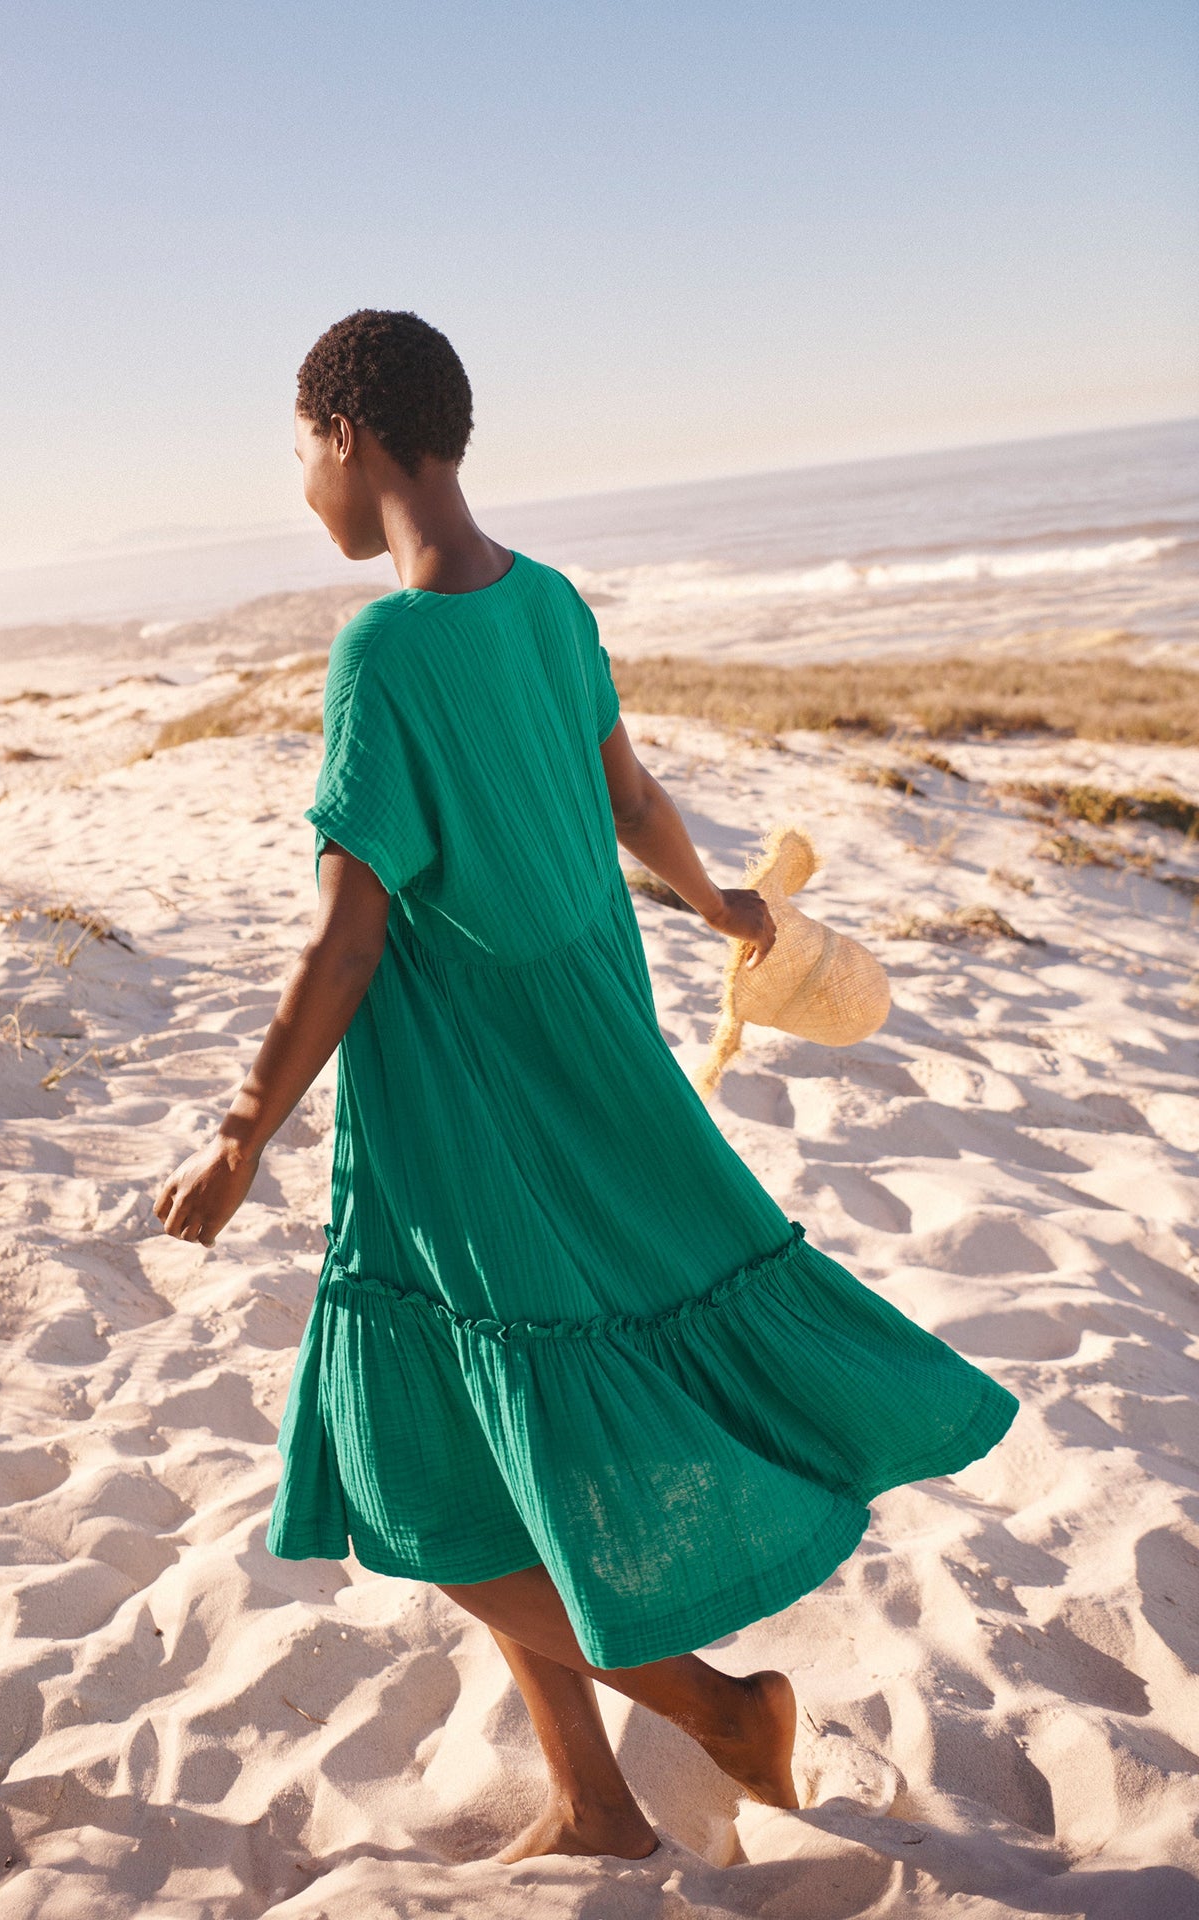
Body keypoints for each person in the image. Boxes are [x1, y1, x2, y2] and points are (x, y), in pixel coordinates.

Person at [154, 309, 1018, 1862]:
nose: (300, 485)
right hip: (581, 1054)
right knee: (495, 1432)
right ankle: (593, 1803)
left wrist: (240, 1135)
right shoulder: (548, 604)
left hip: (463, 1097)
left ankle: (713, 1711)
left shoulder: (386, 648)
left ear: (348, 434)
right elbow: (628, 792)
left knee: (399, 1469)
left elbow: (348, 938)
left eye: (297, 450)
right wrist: (713, 901)